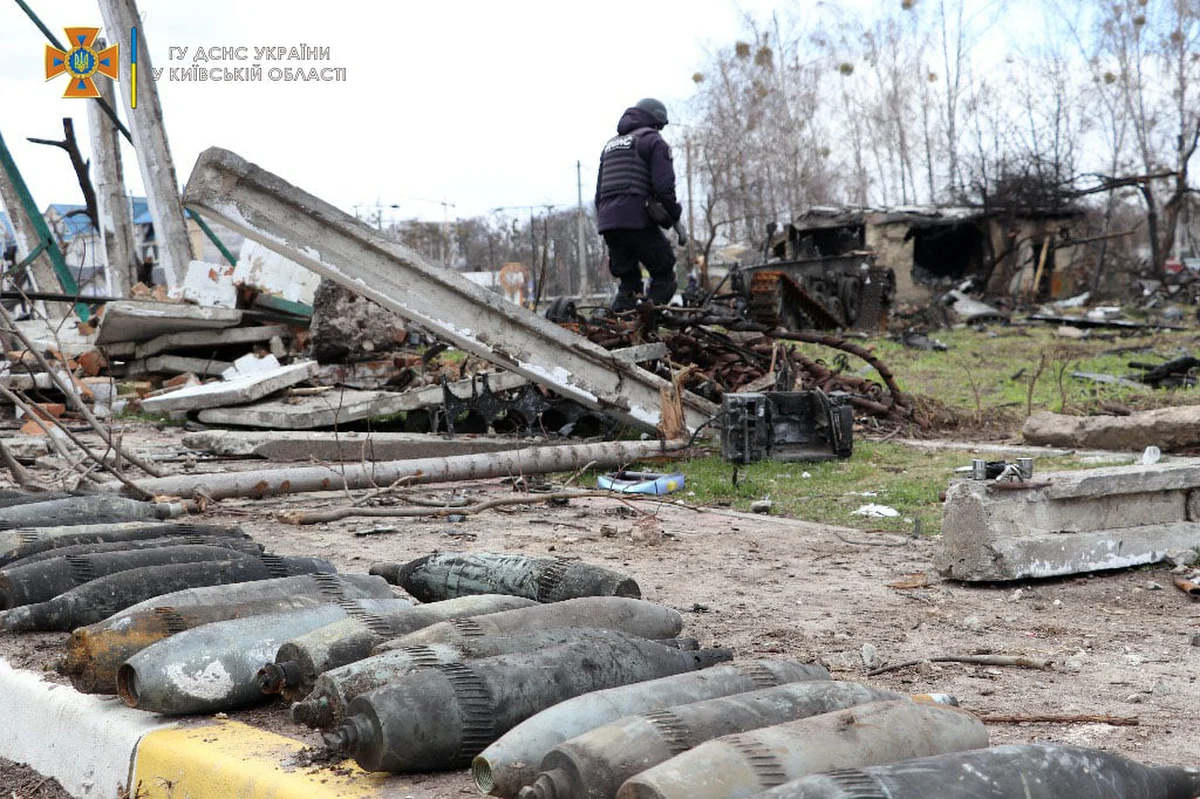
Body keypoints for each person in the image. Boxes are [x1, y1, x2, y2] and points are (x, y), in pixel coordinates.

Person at [595, 97, 683, 311]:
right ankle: (646, 323)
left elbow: (599, 194)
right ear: (657, 122)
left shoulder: (610, 146)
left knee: (629, 284)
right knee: (664, 274)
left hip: (609, 224)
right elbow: (664, 188)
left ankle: (617, 329)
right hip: (637, 221)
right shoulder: (653, 141)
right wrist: (675, 218)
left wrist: (607, 219)